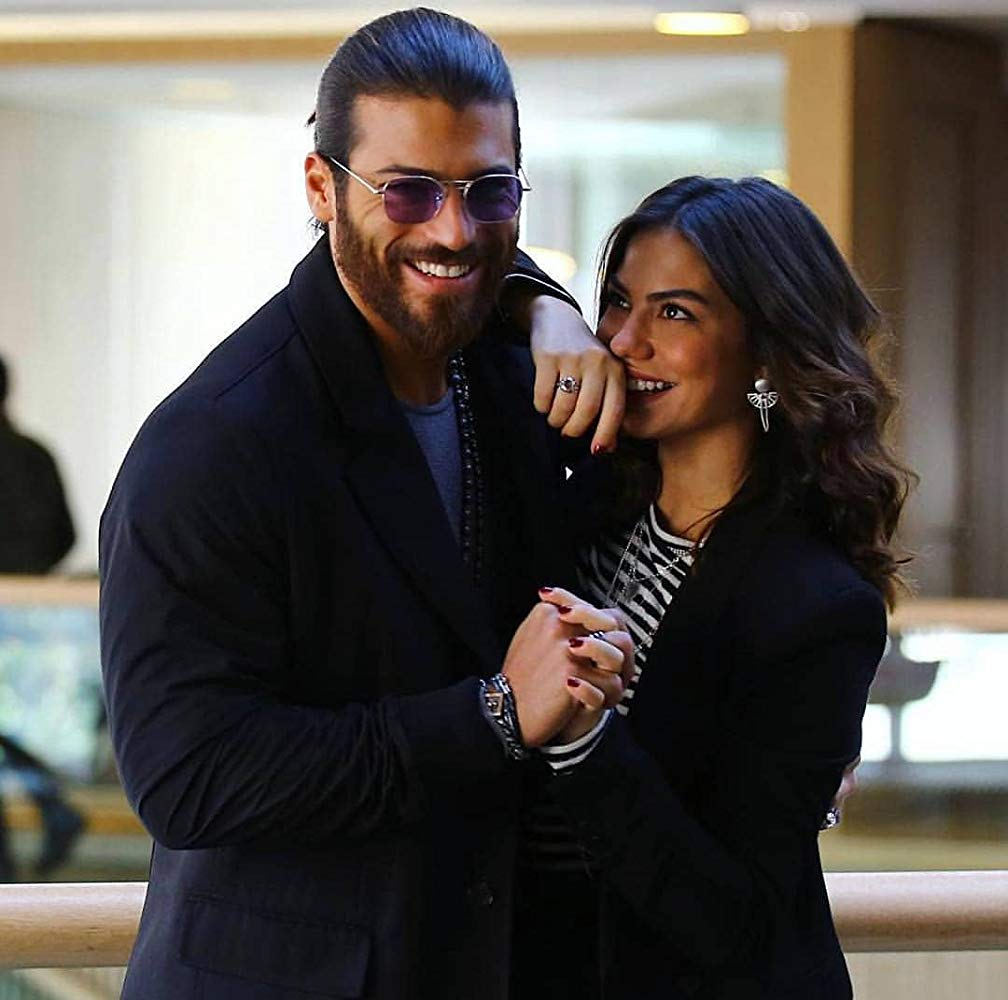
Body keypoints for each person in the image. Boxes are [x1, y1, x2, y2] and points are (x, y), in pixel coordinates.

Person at [99, 9, 628, 999]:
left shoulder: (510, 369)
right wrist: (491, 716)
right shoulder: (216, 440)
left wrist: (547, 299)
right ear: (321, 188)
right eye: (408, 191)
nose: (452, 230)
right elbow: (188, 776)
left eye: (489, 190)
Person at [525, 176, 914, 999]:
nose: (624, 341)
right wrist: (544, 309)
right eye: (617, 303)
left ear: (766, 352)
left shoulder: (815, 606)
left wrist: (584, 735)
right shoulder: (575, 506)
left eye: (675, 313)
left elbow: (731, 920)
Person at [0, 354, 84, 880]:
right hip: (30, 618)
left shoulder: (29, 456)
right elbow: (65, 535)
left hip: (22, 617)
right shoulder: (32, 455)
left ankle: (50, 806)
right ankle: (50, 804)